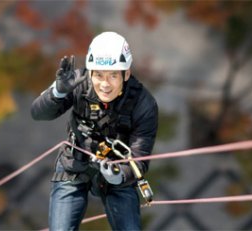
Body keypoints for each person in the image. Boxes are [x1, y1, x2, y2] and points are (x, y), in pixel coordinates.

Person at [31, 31, 158, 231]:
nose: (104, 84)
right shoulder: (77, 82)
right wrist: (58, 92)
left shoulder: (144, 104)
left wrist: (119, 175)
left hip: (118, 170)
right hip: (74, 164)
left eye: (113, 75)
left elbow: (140, 156)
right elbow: (38, 113)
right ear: (90, 72)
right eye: (98, 74)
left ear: (126, 74)